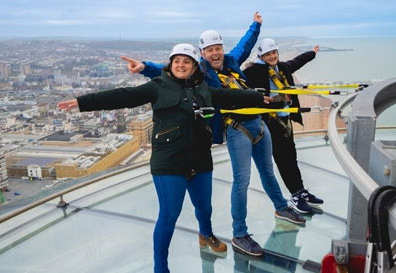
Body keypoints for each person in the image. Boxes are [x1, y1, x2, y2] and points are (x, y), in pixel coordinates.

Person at [57, 44, 271, 273]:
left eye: (186, 61)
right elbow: (123, 96)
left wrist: (259, 98)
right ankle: (161, 267)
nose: (181, 65)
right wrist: (82, 103)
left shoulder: (204, 88)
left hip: (199, 159)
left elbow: (230, 96)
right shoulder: (159, 86)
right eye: (177, 61)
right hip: (169, 163)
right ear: (170, 64)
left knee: (205, 208)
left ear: (194, 66)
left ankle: (206, 235)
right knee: (169, 215)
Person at [122, 12, 305, 257]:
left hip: (258, 124)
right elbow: (170, 70)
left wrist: (256, 25)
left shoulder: (231, 60)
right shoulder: (201, 74)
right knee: (242, 180)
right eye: (210, 50)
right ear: (202, 54)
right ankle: (240, 233)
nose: (215, 53)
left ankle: (281, 207)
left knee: (268, 171)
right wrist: (145, 67)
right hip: (236, 128)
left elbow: (245, 44)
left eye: (218, 47)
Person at [243, 38, 324, 214]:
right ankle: (295, 196)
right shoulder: (254, 72)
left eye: (274, 53)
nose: (272, 56)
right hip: (270, 122)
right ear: (261, 56)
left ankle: (301, 191)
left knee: (291, 156)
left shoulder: (282, 68)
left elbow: (297, 61)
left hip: (285, 119)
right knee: (282, 159)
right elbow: (240, 84)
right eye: (268, 54)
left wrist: (312, 54)